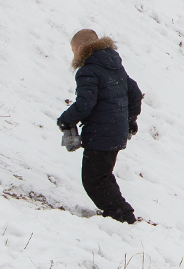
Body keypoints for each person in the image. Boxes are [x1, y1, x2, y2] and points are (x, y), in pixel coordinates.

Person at [57, 29, 142, 224]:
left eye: (73, 50)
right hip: (115, 130)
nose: (74, 55)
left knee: (94, 180)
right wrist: (129, 121)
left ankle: (122, 216)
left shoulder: (88, 69)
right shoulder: (114, 66)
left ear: (80, 48)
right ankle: (118, 214)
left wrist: (66, 120)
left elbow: (85, 103)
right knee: (102, 176)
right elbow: (135, 94)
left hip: (100, 132)